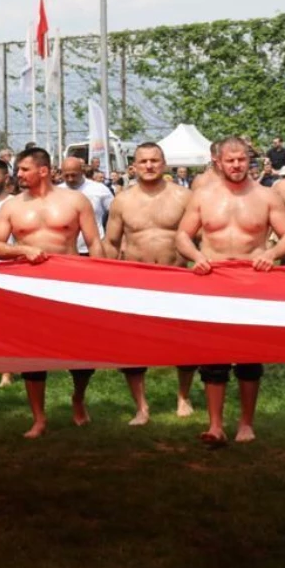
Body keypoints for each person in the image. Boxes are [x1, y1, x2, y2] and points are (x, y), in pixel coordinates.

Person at [175, 137, 285, 446]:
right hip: (212, 280)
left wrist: (271, 254)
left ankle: (246, 423)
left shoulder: (267, 196)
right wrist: (197, 256)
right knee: (213, 356)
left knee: (248, 355)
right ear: (218, 161)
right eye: (230, 160)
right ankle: (215, 425)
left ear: (249, 160)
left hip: (251, 283)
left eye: (242, 159)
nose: (236, 165)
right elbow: (182, 235)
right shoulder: (203, 196)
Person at [0, 147, 104, 438]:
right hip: (30, 287)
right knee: (31, 352)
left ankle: (78, 397)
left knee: (81, 351)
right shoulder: (12, 206)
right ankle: (38, 417)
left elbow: (94, 242)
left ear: (43, 171)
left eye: (24, 169)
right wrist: (22, 248)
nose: (18, 174)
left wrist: (101, 277)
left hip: (70, 284)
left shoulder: (75, 200)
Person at [103, 142, 194, 424]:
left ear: (164, 164)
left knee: (185, 342)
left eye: (154, 160)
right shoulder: (123, 200)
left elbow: (199, 236)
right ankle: (141, 406)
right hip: (135, 280)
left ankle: (183, 396)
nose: (149, 166)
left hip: (177, 276)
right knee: (132, 346)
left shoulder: (185, 197)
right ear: (133, 166)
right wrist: (104, 275)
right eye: (143, 161)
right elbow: (111, 242)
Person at [59, 157, 113, 254]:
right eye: (66, 176)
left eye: (73, 175)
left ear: (81, 171)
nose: (70, 179)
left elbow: (115, 214)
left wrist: (108, 239)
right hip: (67, 252)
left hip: (94, 250)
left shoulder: (99, 189)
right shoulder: (57, 191)